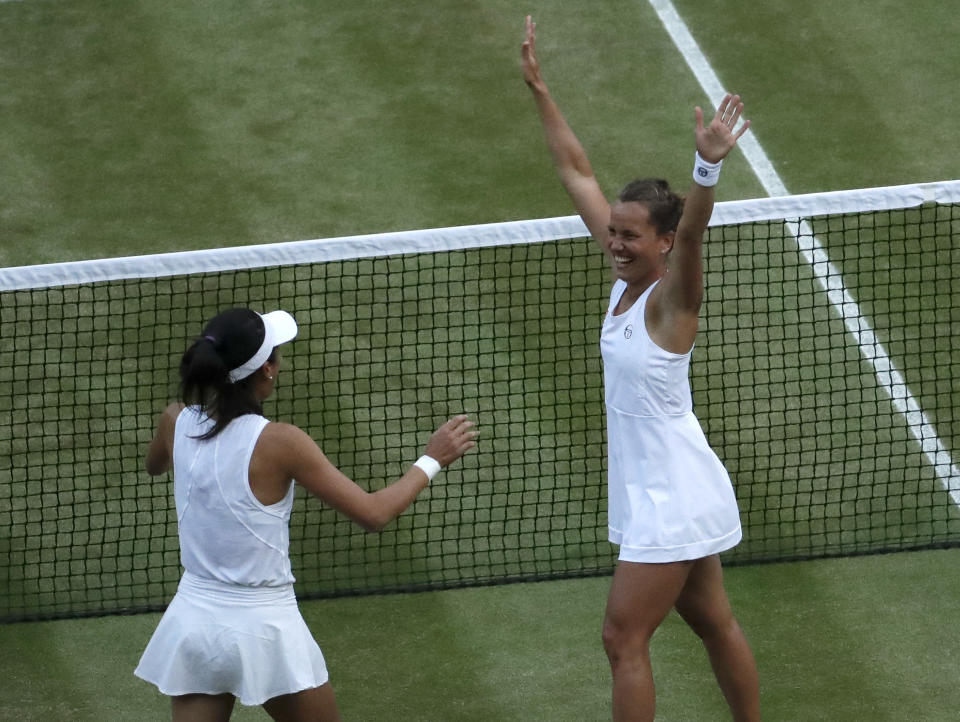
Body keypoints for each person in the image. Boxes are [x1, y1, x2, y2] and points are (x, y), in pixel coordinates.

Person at [521, 16, 760, 722]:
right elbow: (576, 169)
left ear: (661, 241)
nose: (614, 243)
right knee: (714, 623)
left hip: (671, 498)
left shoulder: (670, 302)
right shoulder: (627, 278)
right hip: (662, 489)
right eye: (613, 231)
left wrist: (706, 166)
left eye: (630, 235)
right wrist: (539, 87)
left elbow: (694, 230)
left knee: (623, 638)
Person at [134, 307, 477, 721]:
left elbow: (155, 464)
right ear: (267, 372)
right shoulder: (282, 443)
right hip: (265, 627)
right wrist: (432, 459)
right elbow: (373, 514)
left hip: (196, 625)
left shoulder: (175, 422)